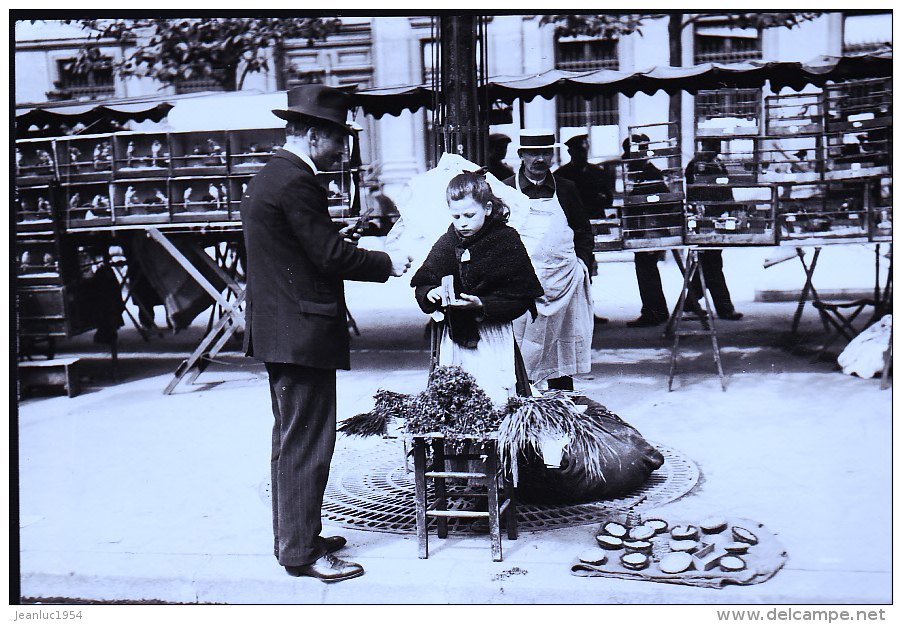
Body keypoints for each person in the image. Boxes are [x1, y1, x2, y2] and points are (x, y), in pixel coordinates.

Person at [240, 84, 412, 582]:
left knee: (292, 440)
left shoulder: (274, 175)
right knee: (307, 444)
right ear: (315, 135)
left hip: (283, 330)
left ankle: (297, 535)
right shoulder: (297, 182)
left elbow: (298, 249)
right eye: (339, 139)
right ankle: (301, 552)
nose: (344, 150)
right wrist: (387, 262)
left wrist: (341, 238)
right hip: (300, 333)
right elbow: (329, 258)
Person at [410, 172, 544, 405]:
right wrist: (431, 292)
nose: (462, 223)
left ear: (488, 209)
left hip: (493, 339)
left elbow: (522, 299)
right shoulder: (449, 241)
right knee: (456, 403)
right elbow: (423, 282)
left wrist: (482, 304)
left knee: (496, 400)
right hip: (454, 342)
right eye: (456, 216)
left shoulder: (506, 240)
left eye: (470, 215)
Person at [502, 129, 595, 391]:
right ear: (521, 155)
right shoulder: (505, 189)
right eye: (533, 153)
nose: (540, 159)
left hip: (563, 285)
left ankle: (562, 407)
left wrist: (582, 266)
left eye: (545, 153)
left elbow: (583, 231)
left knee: (560, 350)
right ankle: (526, 408)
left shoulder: (566, 188)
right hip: (521, 287)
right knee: (522, 350)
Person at [554, 132, 614, 322]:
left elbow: (609, 198)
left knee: (588, 269)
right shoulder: (561, 175)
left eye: (584, 151)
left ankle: (587, 312)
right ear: (570, 152)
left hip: (593, 228)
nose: (582, 155)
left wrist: (602, 200)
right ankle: (574, 314)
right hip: (571, 231)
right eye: (578, 151)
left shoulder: (598, 172)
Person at [684, 139, 743, 321]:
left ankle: (690, 304)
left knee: (709, 265)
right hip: (705, 221)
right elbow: (696, 191)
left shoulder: (716, 163)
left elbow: (726, 189)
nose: (717, 149)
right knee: (713, 265)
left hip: (718, 219)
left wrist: (732, 208)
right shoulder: (698, 165)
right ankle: (724, 308)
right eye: (715, 145)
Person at [622, 134, 672, 327]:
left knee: (646, 271)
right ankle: (657, 310)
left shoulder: (650, 174)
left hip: (650, 231)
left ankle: (653, 312)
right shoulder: (644, 174)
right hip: (645, 230)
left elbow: (663, 201)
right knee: (647, 270)